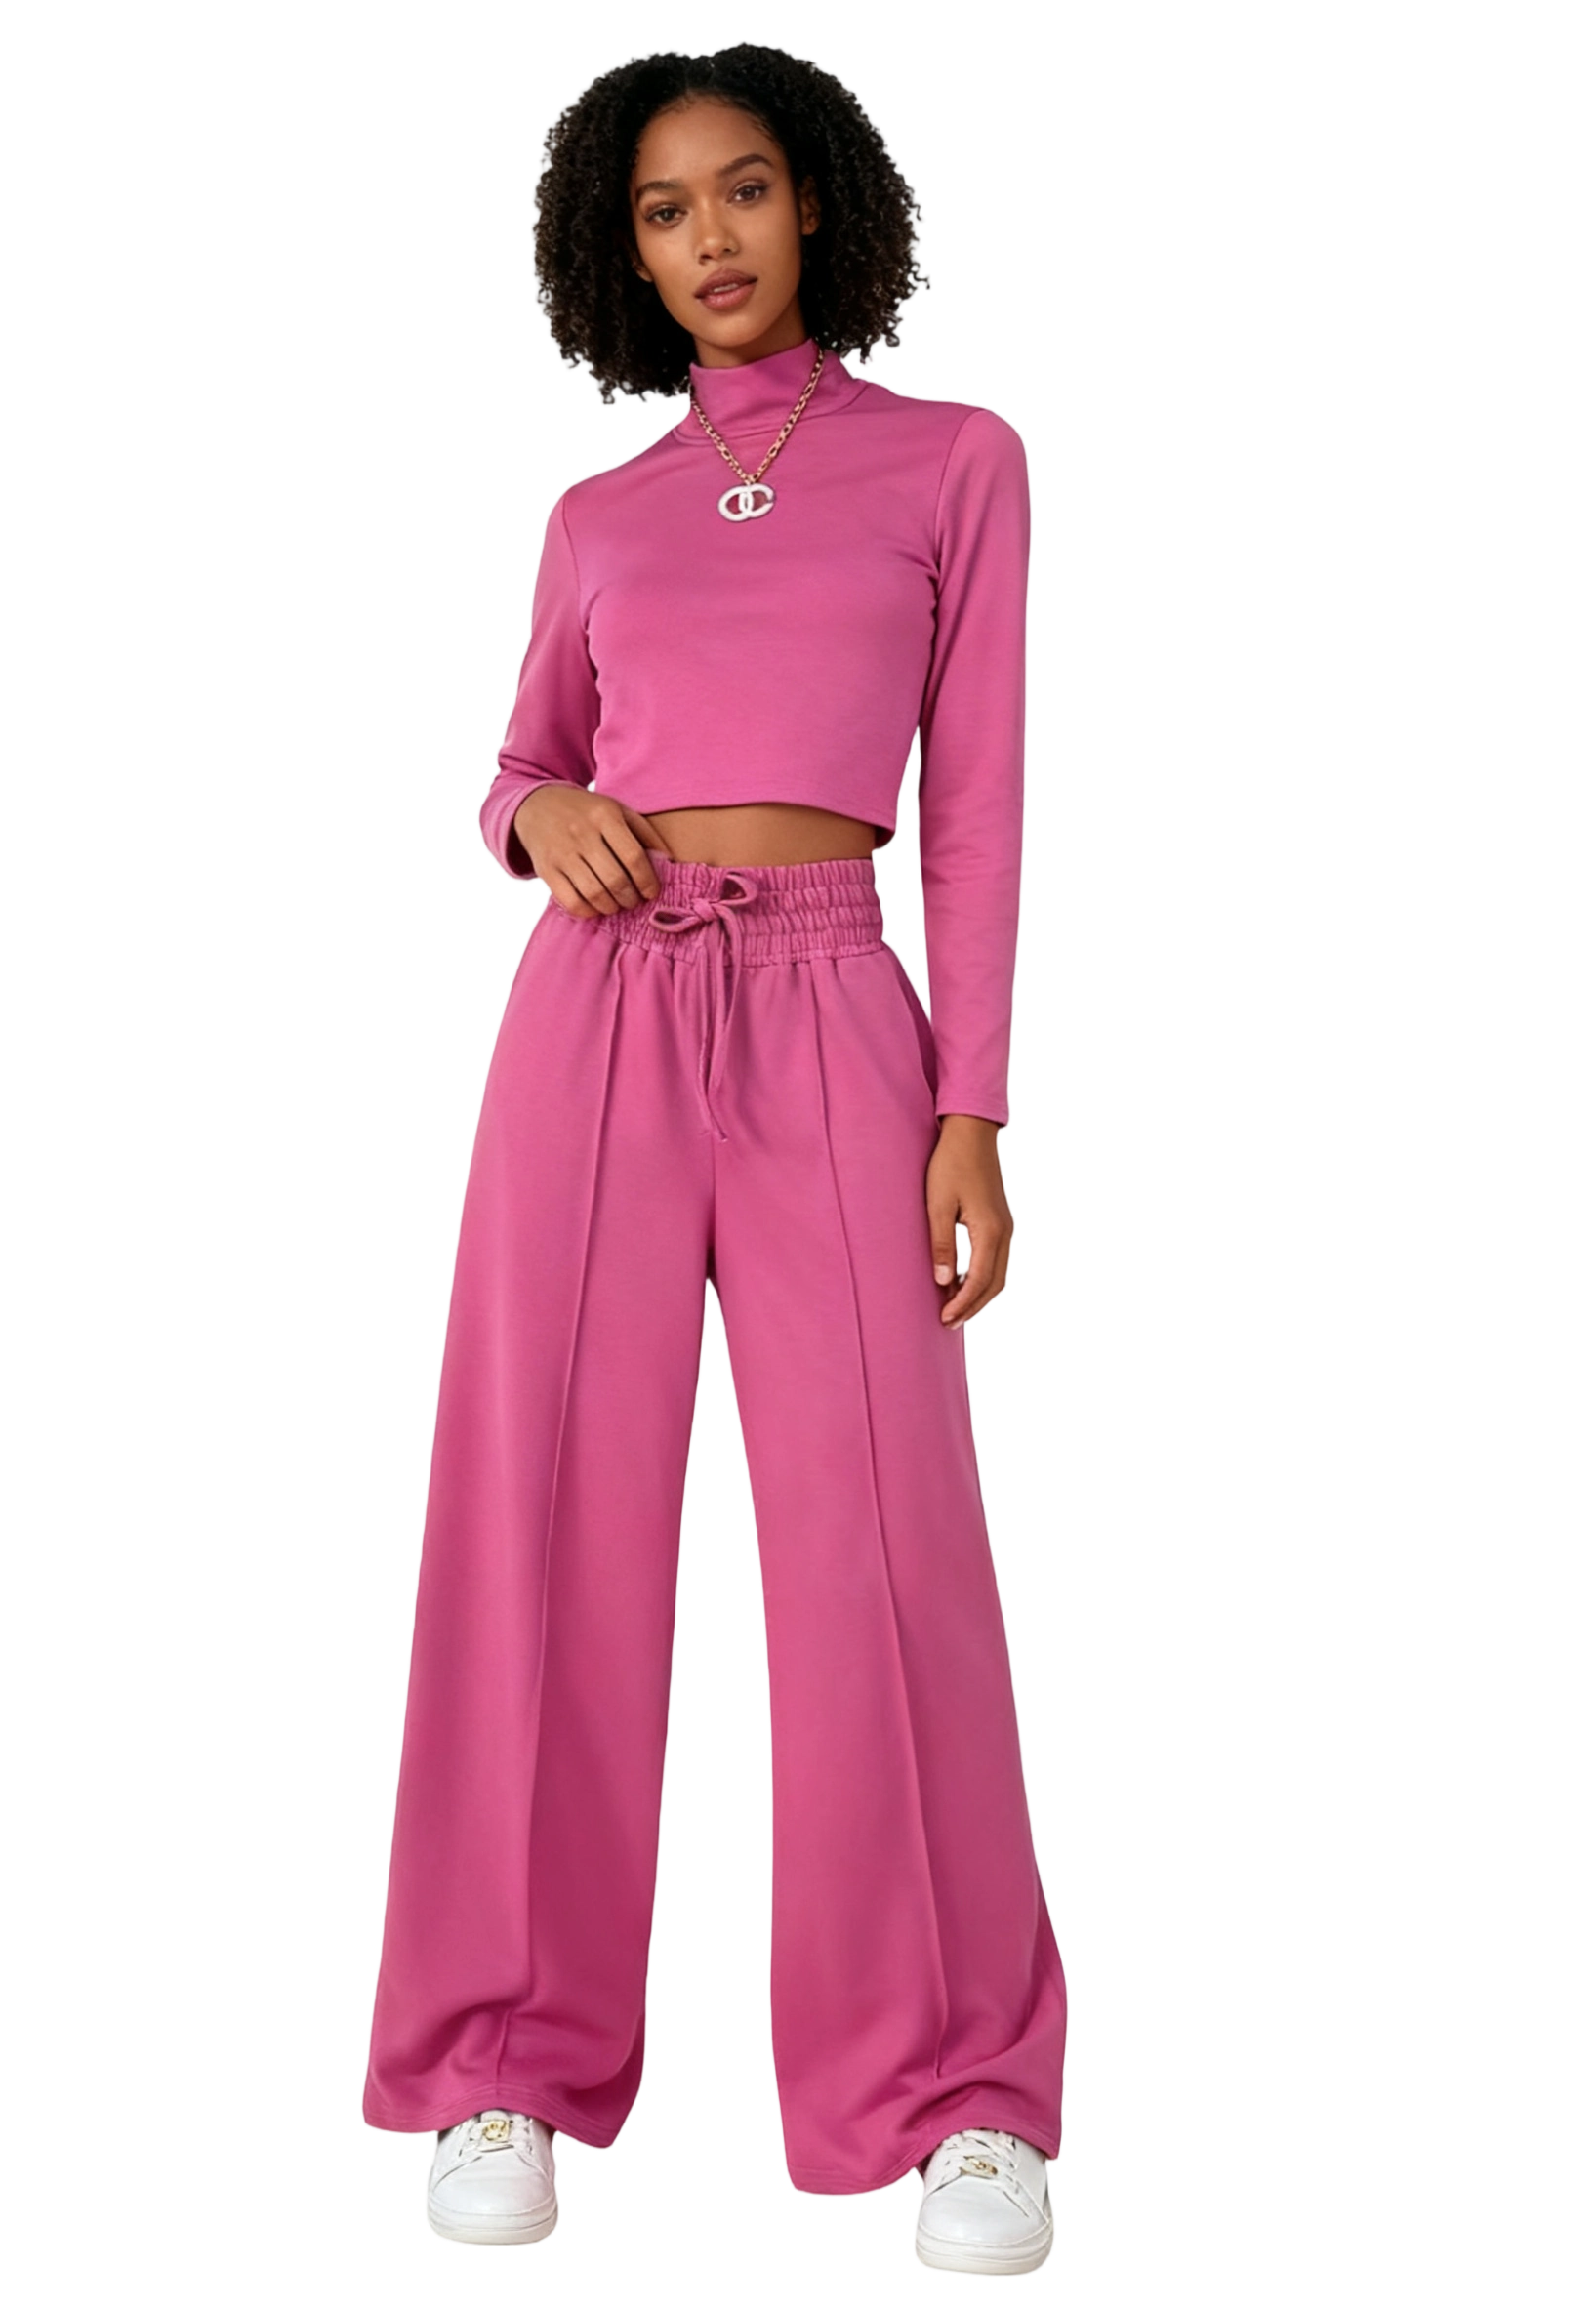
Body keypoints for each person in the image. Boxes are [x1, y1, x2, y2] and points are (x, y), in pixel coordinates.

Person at [361, 47, 1069, 2277]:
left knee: (882, 1541)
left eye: (742, 192)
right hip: (596, 1005)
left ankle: (959, 2095)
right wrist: (531, 815)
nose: (710, 241)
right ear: (626, 254)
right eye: (664, 213)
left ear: (816, 204)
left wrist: (972, 1107)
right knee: (536, 1519)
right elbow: (520, 759)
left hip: (839, 1000)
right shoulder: (599, 516)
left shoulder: (954, 460)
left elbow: (977, 805)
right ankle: (495, 2061)